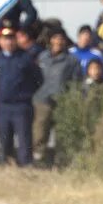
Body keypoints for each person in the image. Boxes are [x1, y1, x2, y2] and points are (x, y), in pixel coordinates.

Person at [0, 26, 42, 166]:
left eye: (11, 39)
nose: (8, 42)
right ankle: (6, 163)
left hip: (21, 105)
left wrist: (26, 93)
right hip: (3, 106)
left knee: (24, 137)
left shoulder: (26, 58)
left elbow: (38, 79)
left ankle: (26, 165)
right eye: (5, 39)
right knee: (4, 138)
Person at [33, 30, 83, 165]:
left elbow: (76, 82)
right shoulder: (42, 57)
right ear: (51, 40)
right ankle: (39, 160)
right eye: (55, 38)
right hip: (42, 100)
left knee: (62, 133)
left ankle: (61, 161)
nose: (58, 42)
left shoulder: (72, 60)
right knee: (40, 132)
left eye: (61, 39)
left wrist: (71, 100)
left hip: (62, 101)